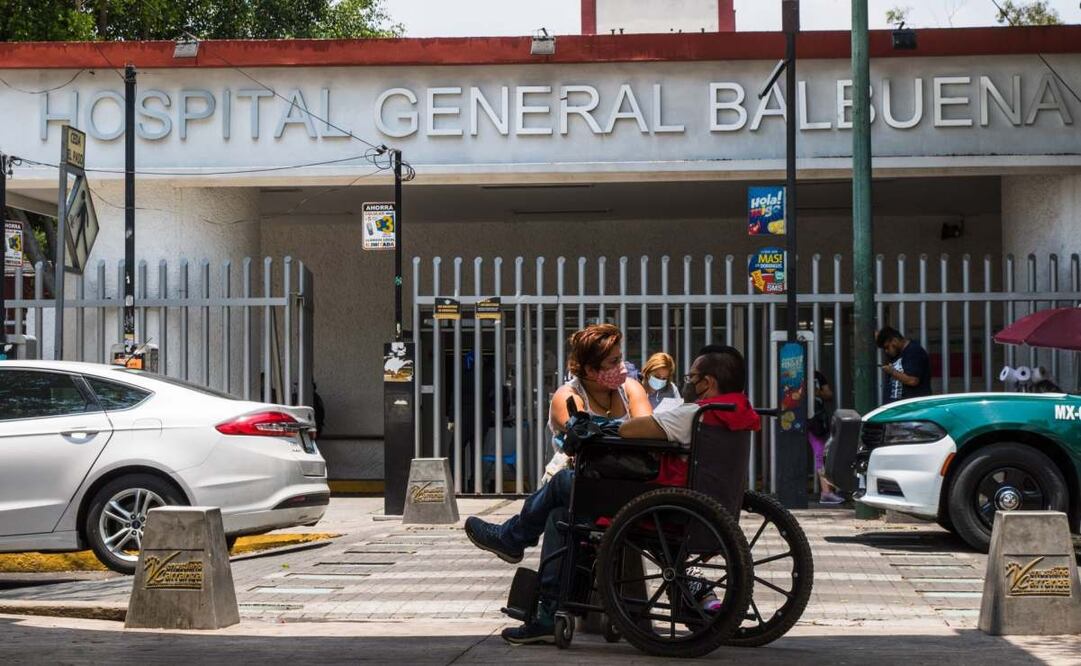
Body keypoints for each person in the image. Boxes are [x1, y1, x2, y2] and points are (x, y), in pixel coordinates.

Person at [464, 346, 759, 644]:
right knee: (560, 512)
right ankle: (542, 603)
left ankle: (516, 546)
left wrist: (604, 426)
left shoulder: (694, 414)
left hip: (662, 507)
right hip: (700, 509)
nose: (687, 382)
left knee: (567, 483)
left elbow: (635, 430)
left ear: (707, 382)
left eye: (691, 377)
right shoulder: (737, 411)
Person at [808, 370, 843, 504]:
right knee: (819, 453)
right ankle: (826, 492)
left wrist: (815, 392)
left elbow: (828, 394)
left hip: (815, 418)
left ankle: (826, 491)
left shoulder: (817, 375)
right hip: (799, 416)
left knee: (820, 453)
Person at [876, 327, 932, 403]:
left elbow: (913, 380)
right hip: (895, 407)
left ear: (895, 340)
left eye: (887, 347)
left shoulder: (914, 351)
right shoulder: (895, 355)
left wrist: (892, 372)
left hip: (911, 407)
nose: (886, 351)